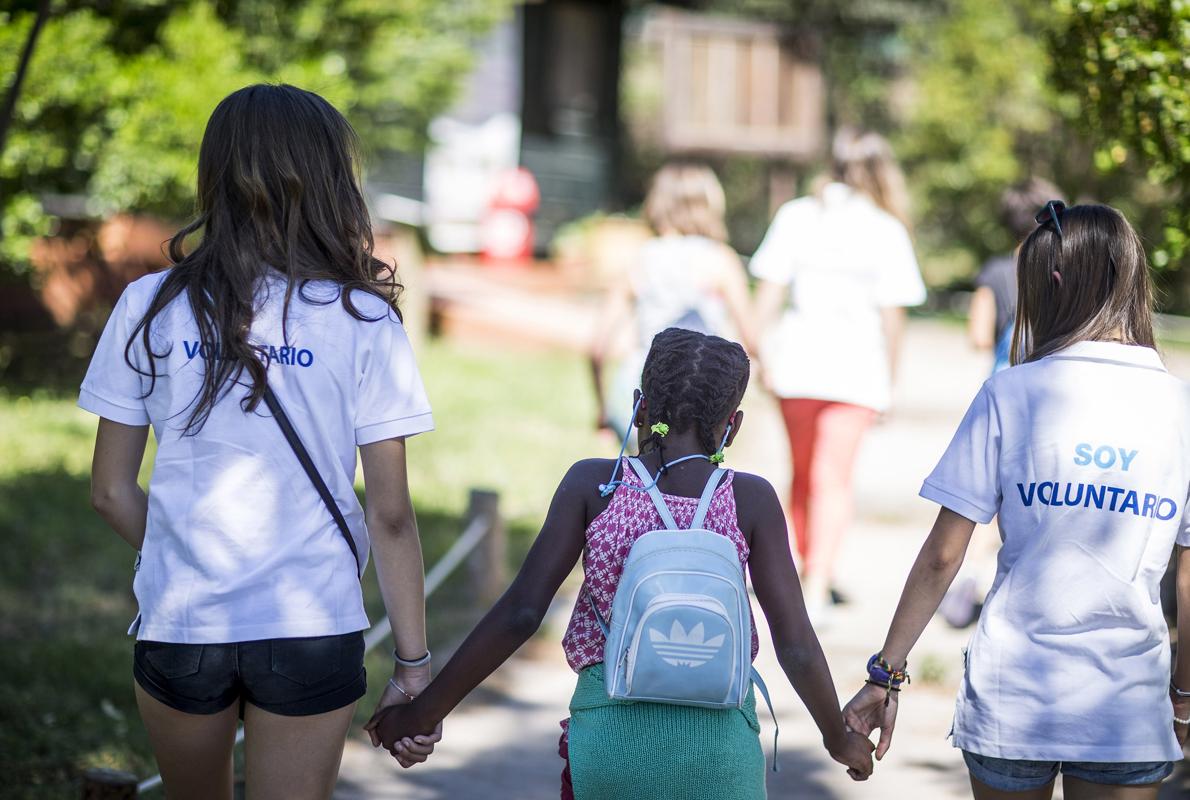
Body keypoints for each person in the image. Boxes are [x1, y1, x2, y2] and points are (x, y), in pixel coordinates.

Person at [81, 84, 440, 800]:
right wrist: (414, 666)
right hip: (312, 623)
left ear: (216, 176)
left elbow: (110, 491)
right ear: (330, 182)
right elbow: (391, 515)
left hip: (183, 623)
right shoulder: (364, 318)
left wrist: (185, 557)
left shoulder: (147, 305)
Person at [372, 328, 875, 798]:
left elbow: (521, 614)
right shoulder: (751, 500)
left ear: (639, 407)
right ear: (733, 425)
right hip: (721, 751)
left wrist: (420, 714)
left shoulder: (594, 485)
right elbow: (797, 644)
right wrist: (838, 738)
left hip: (609, 741)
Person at [844, 203, 1190, 799]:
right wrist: (1182, 695)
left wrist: (886, 673)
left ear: (1052, 283)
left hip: (1014, 700)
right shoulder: (1180, 407)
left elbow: (942, 555)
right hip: (1126, 709)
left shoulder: (1009, 392)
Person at [751, 128, 927, 617]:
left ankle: (798, 571)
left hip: (796, 366)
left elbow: (767, 294)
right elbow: (893, 316)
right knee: (833, 479)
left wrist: (757, 353)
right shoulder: (885, 228)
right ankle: (815, 582)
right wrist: (890, 382)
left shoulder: (797, 216)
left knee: (804, 475)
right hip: (856, 372)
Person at [589, 163, 756, 439]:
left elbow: (597, 348)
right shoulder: (720, 259)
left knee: (641, 475)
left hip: (639, 388)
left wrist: (603, 407)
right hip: (698, 396)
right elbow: (750, 339)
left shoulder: (640, 259)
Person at [967, 178, 1062, 374]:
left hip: (1006, 380)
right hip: (1052, 377)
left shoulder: (994, 271)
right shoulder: (1064, 268)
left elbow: (979, 336)